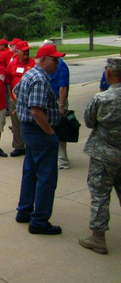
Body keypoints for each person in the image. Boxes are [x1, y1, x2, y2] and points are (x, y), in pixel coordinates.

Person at [13, 44, 65, 235]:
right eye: (54, 59)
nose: (57, 63)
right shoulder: (40, 79)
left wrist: (21, 109)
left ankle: (24, 211)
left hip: (29, 131)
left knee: (30, 172)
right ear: (43, 59)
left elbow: (17, 92)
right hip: (39, 132)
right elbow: (36, 111)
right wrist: (50, 133)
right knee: (46, 177)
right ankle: (40, 220)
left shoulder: (29, 74)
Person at [79, 57, 121, 255]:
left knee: (100, 195)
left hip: (103, 154)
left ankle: (98, 238)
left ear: (108, 74)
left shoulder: (101, 98)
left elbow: (89, 121)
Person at [6, 41, 35, 157]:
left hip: (28, 100)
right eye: (24, 51)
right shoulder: (12, 64)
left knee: (29, 122)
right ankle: (19, 146)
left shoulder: (33, 63)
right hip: (14, 99)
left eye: (28, 50)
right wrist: (10, 96)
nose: (27, 53)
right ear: (18, 52)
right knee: (16, 123)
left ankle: (30, 146)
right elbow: (8, 81)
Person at [47, 46, 71, 169]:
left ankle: (62, 160)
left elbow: (63, 87)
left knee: (59, 130)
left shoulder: (60, 66)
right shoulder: (54, 65)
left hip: (58, 101)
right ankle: (54, 157)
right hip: (52, 100)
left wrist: (61, 105)